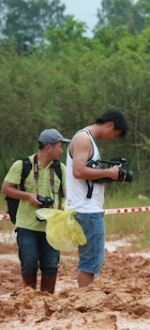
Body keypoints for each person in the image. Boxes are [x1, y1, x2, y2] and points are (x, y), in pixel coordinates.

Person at [66, 109, 128, 288]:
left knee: (90, 259)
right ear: (110, 125)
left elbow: (85, 172)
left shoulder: (85, 139)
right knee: (91, 261)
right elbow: (78, 171)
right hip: (87, 210)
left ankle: (84, 296)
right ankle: (85, 299)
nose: (113, 138)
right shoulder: (83, 139)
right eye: (115, 133)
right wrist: (108, 172)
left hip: (87, 208)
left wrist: (106, 175)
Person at [2, 129, 69, 293]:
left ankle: (47, 301)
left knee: (51, 266)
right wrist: (28, 196)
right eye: (59, 147)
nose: (62, 150)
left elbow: (68, 195)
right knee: (29, 264)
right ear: (48, 147)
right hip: (27, 225)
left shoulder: (61, 169)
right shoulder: (22, 165)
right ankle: (29, 300)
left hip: (52, 227)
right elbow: (6, 189)